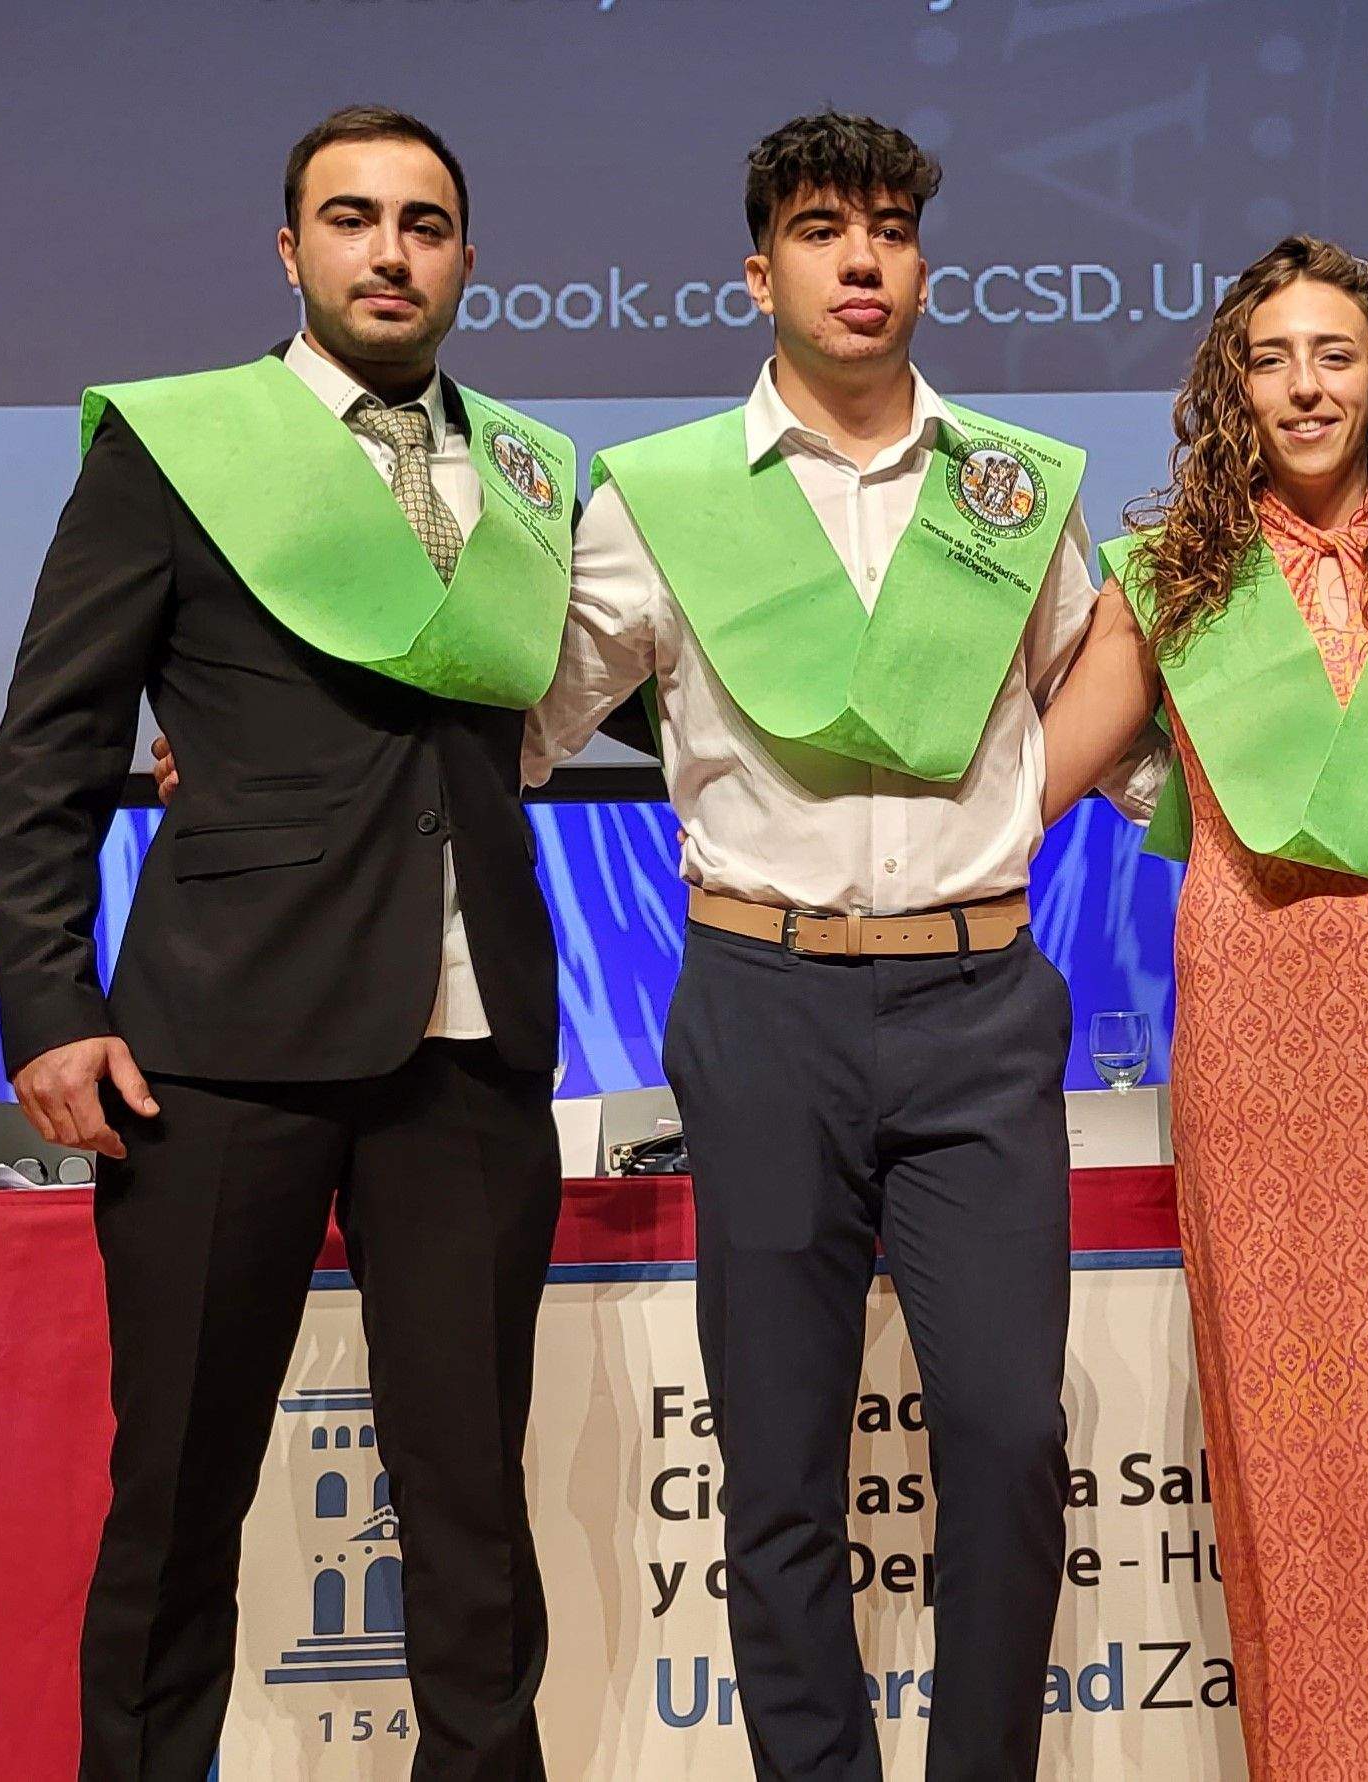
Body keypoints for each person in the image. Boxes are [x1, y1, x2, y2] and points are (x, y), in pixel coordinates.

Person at [520, 112, 1136, 1782]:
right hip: (763, 999)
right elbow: (517, 721)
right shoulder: (657, 500)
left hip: (977, 1001)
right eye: (819, 230)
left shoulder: (1010, 491)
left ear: (921, 265)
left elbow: (1125, 713)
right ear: (757, 272)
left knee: (1008, 1435)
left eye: (886, 230)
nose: (859, 261)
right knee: (777, 1460)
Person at [0, 108, 571, 1782]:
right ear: (291, 249)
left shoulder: (528, 467)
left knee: (471, 1511)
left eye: (425, 222)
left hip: (468, 1045)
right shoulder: (177, 447)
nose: (390, 249)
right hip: (217, 1042)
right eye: (353, 218)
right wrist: (49, 1004)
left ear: (464, 256)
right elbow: (52, 745)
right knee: (177, 1491)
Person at [1039, 236, 1368, 1777]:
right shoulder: (1173, 584)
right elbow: (1029, 790)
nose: (1304, 383)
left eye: (1334, 352)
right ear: (1231, 387)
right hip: (1255, 1033)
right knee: (1286, 1426)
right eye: (1271, 356)